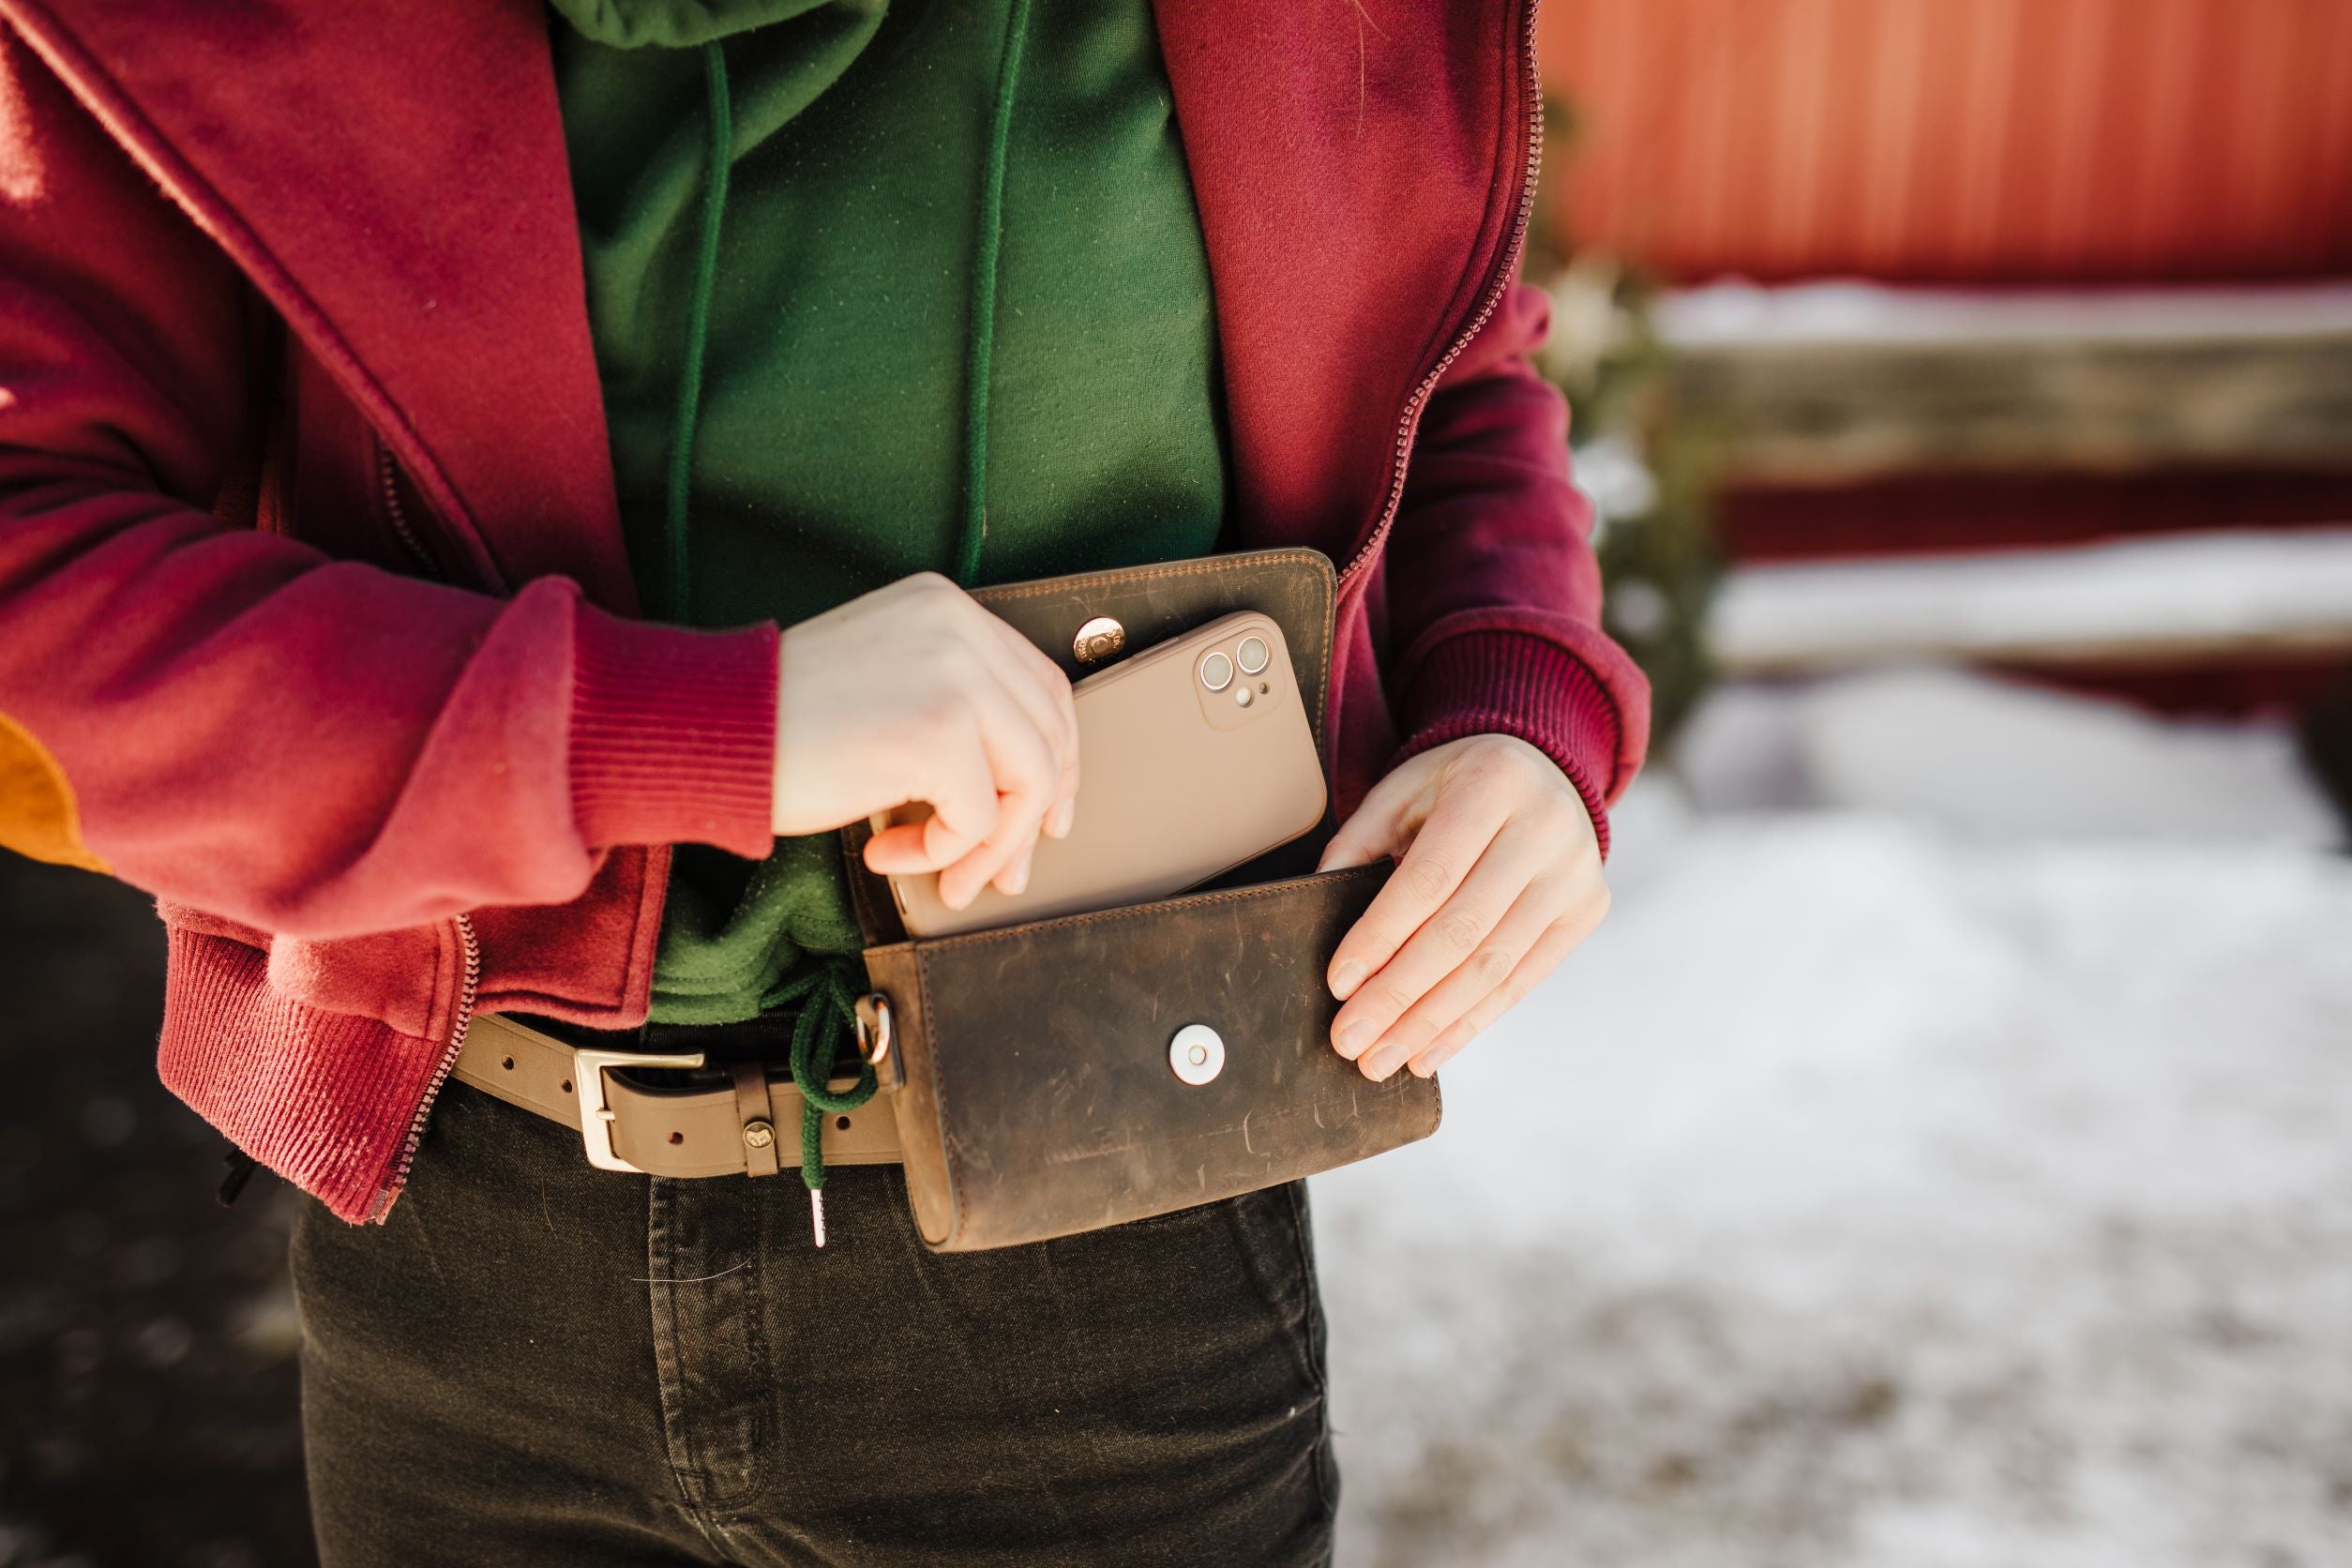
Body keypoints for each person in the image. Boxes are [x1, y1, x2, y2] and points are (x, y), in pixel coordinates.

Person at [0, 0, 1649, 1561]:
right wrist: (715, 725)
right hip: (460, 1238)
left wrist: (1518, 695)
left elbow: (1455, 359)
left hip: (1109, 1225)